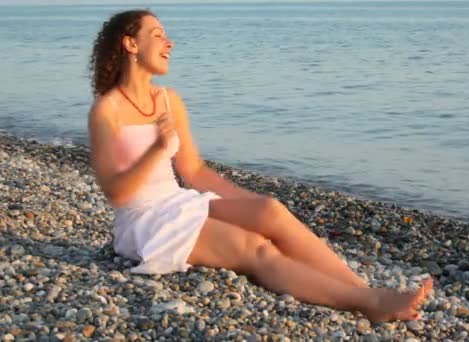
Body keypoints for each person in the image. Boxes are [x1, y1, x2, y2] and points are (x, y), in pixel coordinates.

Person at [87, 9, 432, 323]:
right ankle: (365, 302)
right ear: (131, 43)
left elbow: (194, 172)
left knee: (271, 211)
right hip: (143, 223)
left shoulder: (168, 100)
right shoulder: (107, 110)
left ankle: (369, 294)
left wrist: (249, 204)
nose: (169, 42)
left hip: (177, 202)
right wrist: (155, 151)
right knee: (255, 248)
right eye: (158, 34)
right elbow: (115, 192)